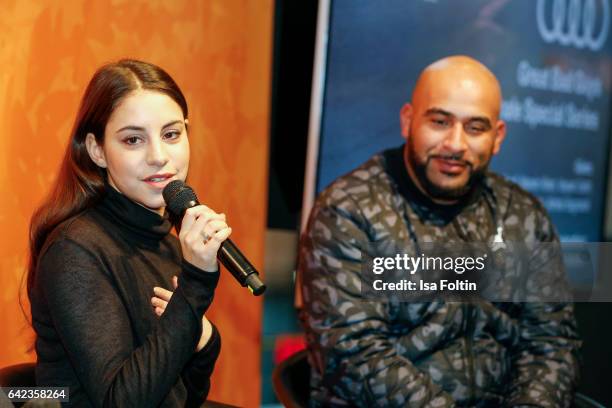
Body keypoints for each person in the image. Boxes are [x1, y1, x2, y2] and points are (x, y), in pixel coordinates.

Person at [298, 55, 581, 407]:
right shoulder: (349, 210)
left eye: (475, 128)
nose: (455, 144)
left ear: (498, 136)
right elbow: (353, 354)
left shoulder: (522, 214)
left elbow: (550, 344)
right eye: (440, 121)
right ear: (408, 121)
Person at [28, 59, 232, 407]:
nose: (159, 157)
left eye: (171, 135)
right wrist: (195, 286)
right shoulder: (75, 249)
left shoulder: (168, 243)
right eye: (133, 140)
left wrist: (205, 340)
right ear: (97, 150)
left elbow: (185, 398)